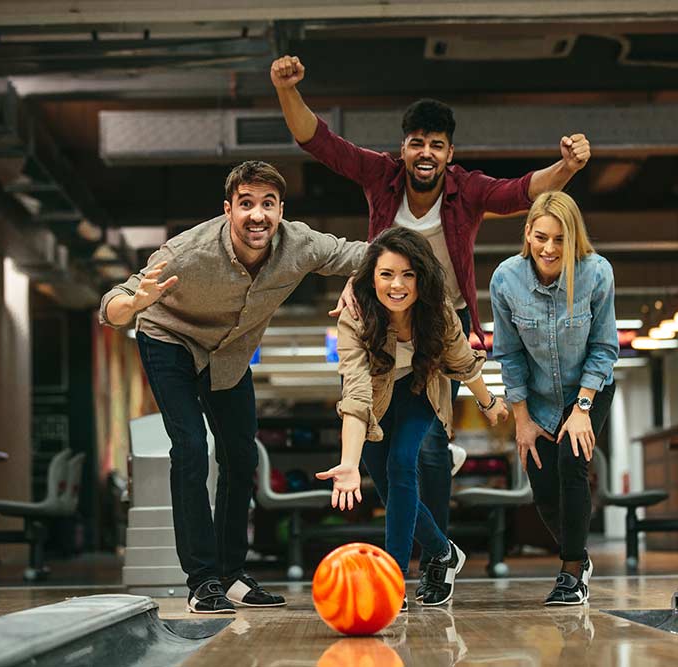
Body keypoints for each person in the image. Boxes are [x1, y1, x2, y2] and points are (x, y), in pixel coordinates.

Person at [271, 55, 591, 593]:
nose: (426, 153)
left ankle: (427, 563)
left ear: (450, 153)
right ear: (404, 148)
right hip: (379, 316)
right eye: (417, 142)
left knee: (416, 454)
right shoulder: (381, 176)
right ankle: (441, 542)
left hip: (444, 321)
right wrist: (286, 91)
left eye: (437, 144)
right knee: (381, 451)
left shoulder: (466, 189)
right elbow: (321, 143)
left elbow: (519, 191)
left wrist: (567, 169)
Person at [99, 160, 367, 614]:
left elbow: (365, 253)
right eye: (246, 204)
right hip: (170, 340)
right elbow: (112, 304)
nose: (257, 215)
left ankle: (231, 574)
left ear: (281, 210)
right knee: (189, 446)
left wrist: (364, 277)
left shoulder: (301, 244)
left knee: (240, 455)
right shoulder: (186, 250)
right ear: (228, 209)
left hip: (229, 353)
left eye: (268, 204)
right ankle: (202, 580)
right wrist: (134, 303)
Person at [316, 227, 509, 610]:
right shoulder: (355, 317)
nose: (397, 285)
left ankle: (393, 581)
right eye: (386, 274)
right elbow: (355, 394)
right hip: (376, 395)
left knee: (403, 463)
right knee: (391, 490)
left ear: (422, 276)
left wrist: (489, 403)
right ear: (372, 277)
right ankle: (443, 551)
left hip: (423, 388)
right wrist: (349, 464)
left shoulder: (438, 313)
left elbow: (462, 364)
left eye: (408, 274)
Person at [489, 191, 618, 605]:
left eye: (560, 239)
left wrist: (581, 409)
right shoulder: (505, 279)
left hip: (589, 385)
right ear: (527, 233)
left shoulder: (596, 273)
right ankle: (575, 549)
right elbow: (508, 354)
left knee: (571, 462)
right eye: (541, 236)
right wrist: (522, 421)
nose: (549, 248)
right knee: (542, 486)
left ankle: (572, 571)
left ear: (574, 239)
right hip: (539, 395)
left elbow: (605, 346)